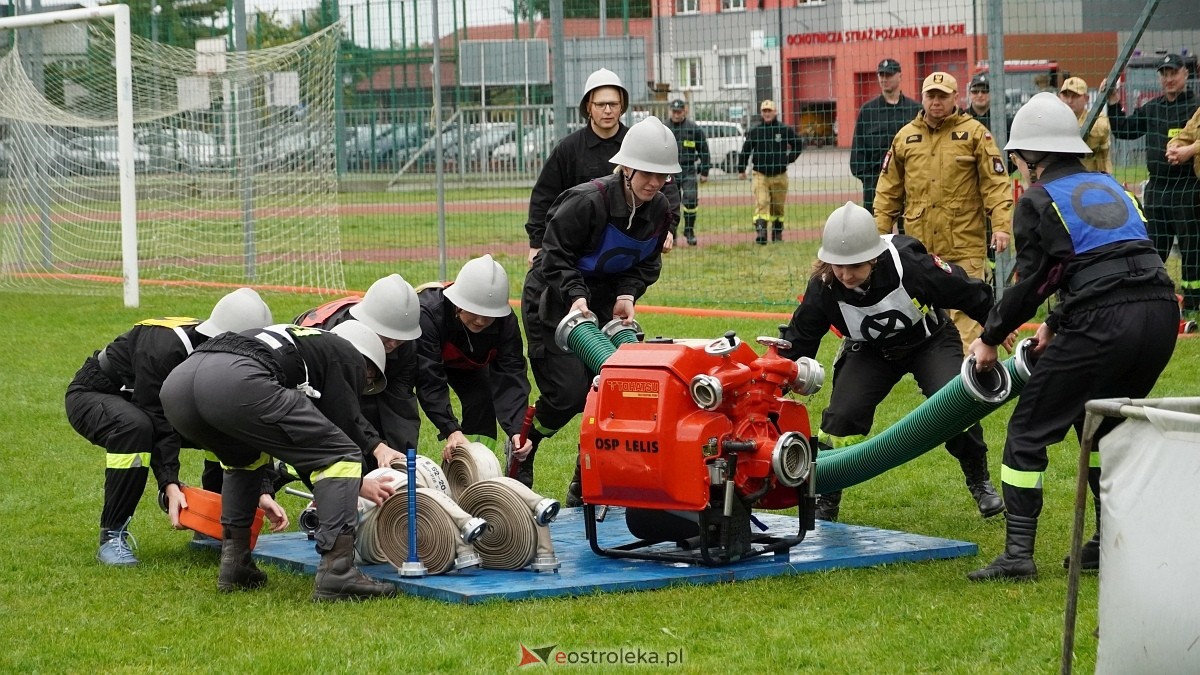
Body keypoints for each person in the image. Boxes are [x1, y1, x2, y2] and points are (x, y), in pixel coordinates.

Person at [967, 93, 1178, 582]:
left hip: (1104, 321)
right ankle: (1107, 545)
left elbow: (1030, 282)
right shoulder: (1111, 186)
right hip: (1160, 314)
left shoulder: (1039, 199)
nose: (1018, 167)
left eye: (1018, 158)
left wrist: (989, 337)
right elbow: (1105, 260)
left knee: (1025, 434)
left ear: (1032, 156)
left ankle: (1018, 555)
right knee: (1107, 426)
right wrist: (1057, 324)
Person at [780, 202, 1004, 523]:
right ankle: (826, 498)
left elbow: (966, 290)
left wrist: (996, 327)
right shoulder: (825, 286)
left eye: (854, 265)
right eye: (838, 265)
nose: (845, 274)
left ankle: (979, 481)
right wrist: (780, 379)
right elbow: (801, 336)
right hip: (871, 351)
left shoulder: (910, 266)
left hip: (930, 341)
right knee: (842, 417)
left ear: (873, 256)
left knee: (954, 402)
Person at [161, 320, 400, 601]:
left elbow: (302, 443)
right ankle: (338, 573)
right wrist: (358, 481)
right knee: (343, 454)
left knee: (244, 458)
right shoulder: (345, 354)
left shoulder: (303, 340)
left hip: (178, 386)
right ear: (367, 367)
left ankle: (235, 564)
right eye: (367, 381)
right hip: (235, 383)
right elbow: (337, 432)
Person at [520, 116, 680, 506]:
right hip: (554, 298)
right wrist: (576, 296)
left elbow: (647, 262)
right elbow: (553, 256)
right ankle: (525, 442)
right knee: (570, 394)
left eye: (663, 176)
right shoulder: (585, 202)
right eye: (647, 174)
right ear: (626, 167)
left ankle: (586, 482)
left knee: (614, 391)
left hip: (605, 300)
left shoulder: (659, 209)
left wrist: (627, 294)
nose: (655, 183)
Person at [65, 287, 281, 566]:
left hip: (146, 407)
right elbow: (157, 417)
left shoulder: (219, 354)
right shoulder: (165, 346)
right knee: (135, 428)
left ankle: (216, 528)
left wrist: (260, 488)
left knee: (223, 423)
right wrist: (170, 484)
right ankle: (112, 536)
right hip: (95, 395)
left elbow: (243, 424)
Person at [873, 71, 1014, 355]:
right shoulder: (905, 138)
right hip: (921, 249)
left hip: (964, 243)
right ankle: (940, 376)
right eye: (931, 96)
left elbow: (996, 183)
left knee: (967, 313)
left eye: (943, 96)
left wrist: (1000, 225)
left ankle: (966, 382)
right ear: (923, 98)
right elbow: (887, 190)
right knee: (928, 317)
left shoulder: (975, 134)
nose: (936, 102)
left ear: (955, 98)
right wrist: (880, 234)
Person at [524, 68, 675, 264]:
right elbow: (544, 196)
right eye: (601, 104)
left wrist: (668, 228)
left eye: (613, 104)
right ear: (588, 106)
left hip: (624, 244)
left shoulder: (641, 144)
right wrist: (536, 243)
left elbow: (667, 186)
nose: (607, 110)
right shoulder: (568, 149)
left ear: (622, 106)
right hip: (577, 243)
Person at [413, 255, 533, 474]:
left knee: (482, 399)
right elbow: (429, 378)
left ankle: (476, 471)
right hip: (426, 360)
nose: (480, 321)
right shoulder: (428, 314)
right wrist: (451, 429)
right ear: (458, 303)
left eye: (488, 315)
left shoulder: (506, 322)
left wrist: (516, 430)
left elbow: (511, 375)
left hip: (468, 366)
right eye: (474, 312)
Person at [1103, 53, 1200, 316]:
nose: (1168, 78)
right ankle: (1153, 300)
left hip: (1189, 188)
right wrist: (1113, 102)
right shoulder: (1153, 108)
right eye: (1164, 74)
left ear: (1186, 74)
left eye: (1174, 73)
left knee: (1192, 250)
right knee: (1154, 248)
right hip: (1157, 189)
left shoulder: (1196, 107)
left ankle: (1193, 304)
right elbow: (1124, 129)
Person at [293, 274, 421, 471]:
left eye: (400, 337)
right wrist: (375, 446)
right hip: (317, 380)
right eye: (388, 336)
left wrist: (401, 459)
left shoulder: (405, 343)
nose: (394, 343)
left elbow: (400, 402)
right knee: (341, 448)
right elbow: (341, 407)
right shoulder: (337, 340)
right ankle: (284, 471)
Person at [849, 58, 921, 215]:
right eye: (881, 75)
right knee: (876, 232)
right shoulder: (867, 111)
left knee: (910, 233)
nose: (884, 79)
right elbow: (857, 153)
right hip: (876, 183)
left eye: (889, 75)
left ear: (900, 76)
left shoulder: (915, 110)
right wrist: (869, 180)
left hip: (910, 182)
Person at [736, 99, 803, 244]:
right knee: (762, 202)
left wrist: (788, 158)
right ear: (761, 113)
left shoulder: (784, 130)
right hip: (760, 174)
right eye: (764, 111)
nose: (767, 114)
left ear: (775, 112)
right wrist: (741, 169)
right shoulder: (755, 131)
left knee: (778, 207)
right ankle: (761, 233)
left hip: (780, 174)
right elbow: (745, 151)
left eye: (769, 111)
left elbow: (798, 144)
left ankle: (777, 234)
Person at [665, 98, 711, 246]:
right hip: (669, 170)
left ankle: (689, 231)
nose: (676, 114)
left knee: (691, 200)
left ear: (684, 111)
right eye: (674, 111)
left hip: (688, 169)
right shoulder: (664, 128)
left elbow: (704, 150)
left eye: (679, 111)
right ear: (670, 111)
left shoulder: (693, 128)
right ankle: (672, 233)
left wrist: (705, 171)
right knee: (670, 203)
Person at [1057, 76, 1112, 174]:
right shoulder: (1055, 120)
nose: (1069, 101)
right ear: (1059, 97)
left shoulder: (1099, 119)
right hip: (1066, 180)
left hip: (1097, 181)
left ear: (1086, 98)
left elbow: (1100, 132)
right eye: (1066, 96)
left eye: (1075, 96)